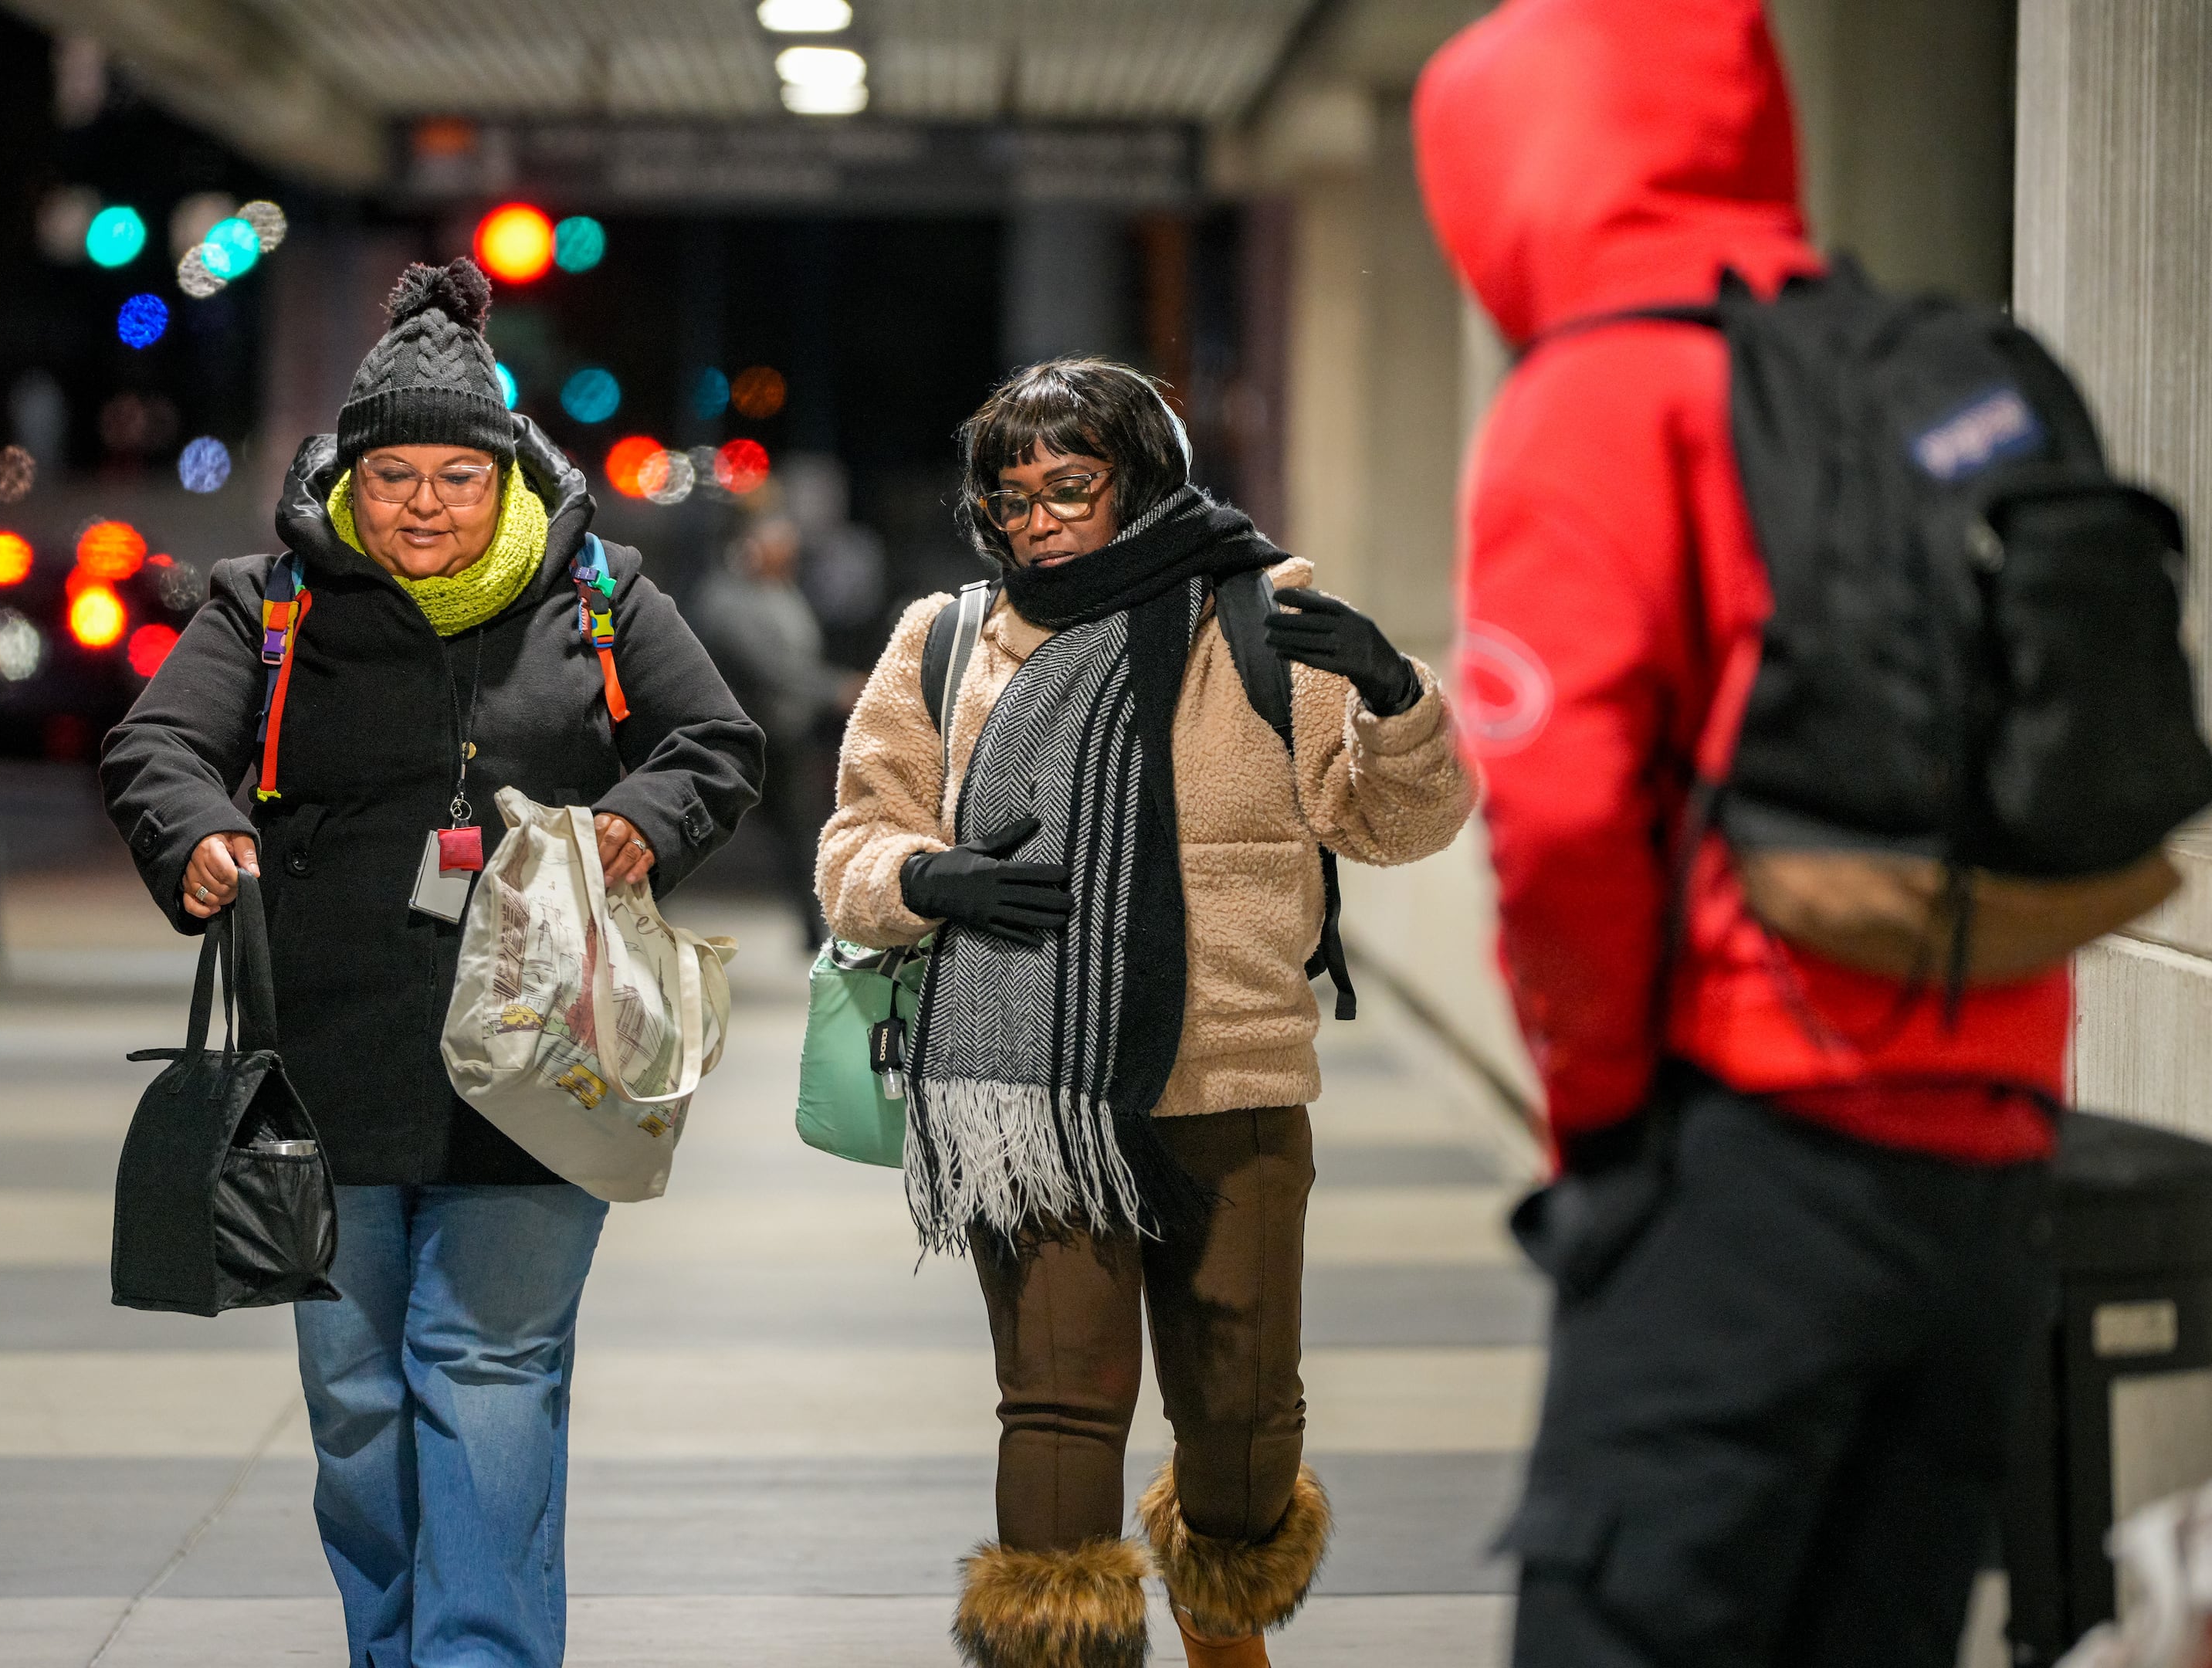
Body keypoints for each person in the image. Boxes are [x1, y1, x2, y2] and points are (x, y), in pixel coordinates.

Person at [1415, 3, 2074, 1663]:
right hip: (1992, 1169)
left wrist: (1606, 1132)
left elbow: (1563, 826)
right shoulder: (1920, 364)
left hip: (1747, 1156)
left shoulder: (1599, 396)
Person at [101, 256, 761, 1668]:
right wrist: (203, 835)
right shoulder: (268, 599)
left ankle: (481, 1660)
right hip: (329, 1054)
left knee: (490, 1374)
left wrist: (644, 821)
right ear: (350, 474)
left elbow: (714, 746)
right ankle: (391, 1650)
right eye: (393, 474)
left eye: (455, 477)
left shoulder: (597, 590)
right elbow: (157, 748)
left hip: (546, 1054)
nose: (422, 506)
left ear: (505, 475)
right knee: (355, 1403)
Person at [818, 358, 1473, 1668]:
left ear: (1144, 478)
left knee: (1241, 1427)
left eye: (1074, 486)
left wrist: (1398, 704)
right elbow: (853, 846)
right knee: (1058, 1412)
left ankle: (1225, 1626)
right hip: (1026, 1094)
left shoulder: (1260, 616)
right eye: (1015, 499)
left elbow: (1401, 825)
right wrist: (925, 876)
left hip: (1231, 1079)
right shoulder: (950, 643)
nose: (1042, 519)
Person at [692, 510, 849, 949]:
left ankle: (814, 928)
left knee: (801, 833)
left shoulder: (784, 593)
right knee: (694, 823)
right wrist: (834, 688)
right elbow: (772, 668)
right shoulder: (726, 599)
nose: (787, 556)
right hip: (735, 737)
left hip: (785, 735)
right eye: (778, 546)